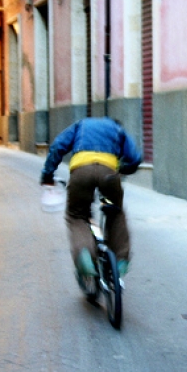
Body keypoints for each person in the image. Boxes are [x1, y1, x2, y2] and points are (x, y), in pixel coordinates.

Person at [40, 115, 142, 280]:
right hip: (109, 174)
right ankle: (121, 260)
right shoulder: (117, 129)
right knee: (116, 212)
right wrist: (122, 169)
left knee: (77, 215)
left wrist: (47, 175)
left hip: (81, 172)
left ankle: (84, 255)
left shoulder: (81, 124)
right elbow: (136, 159)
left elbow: (58, 145)